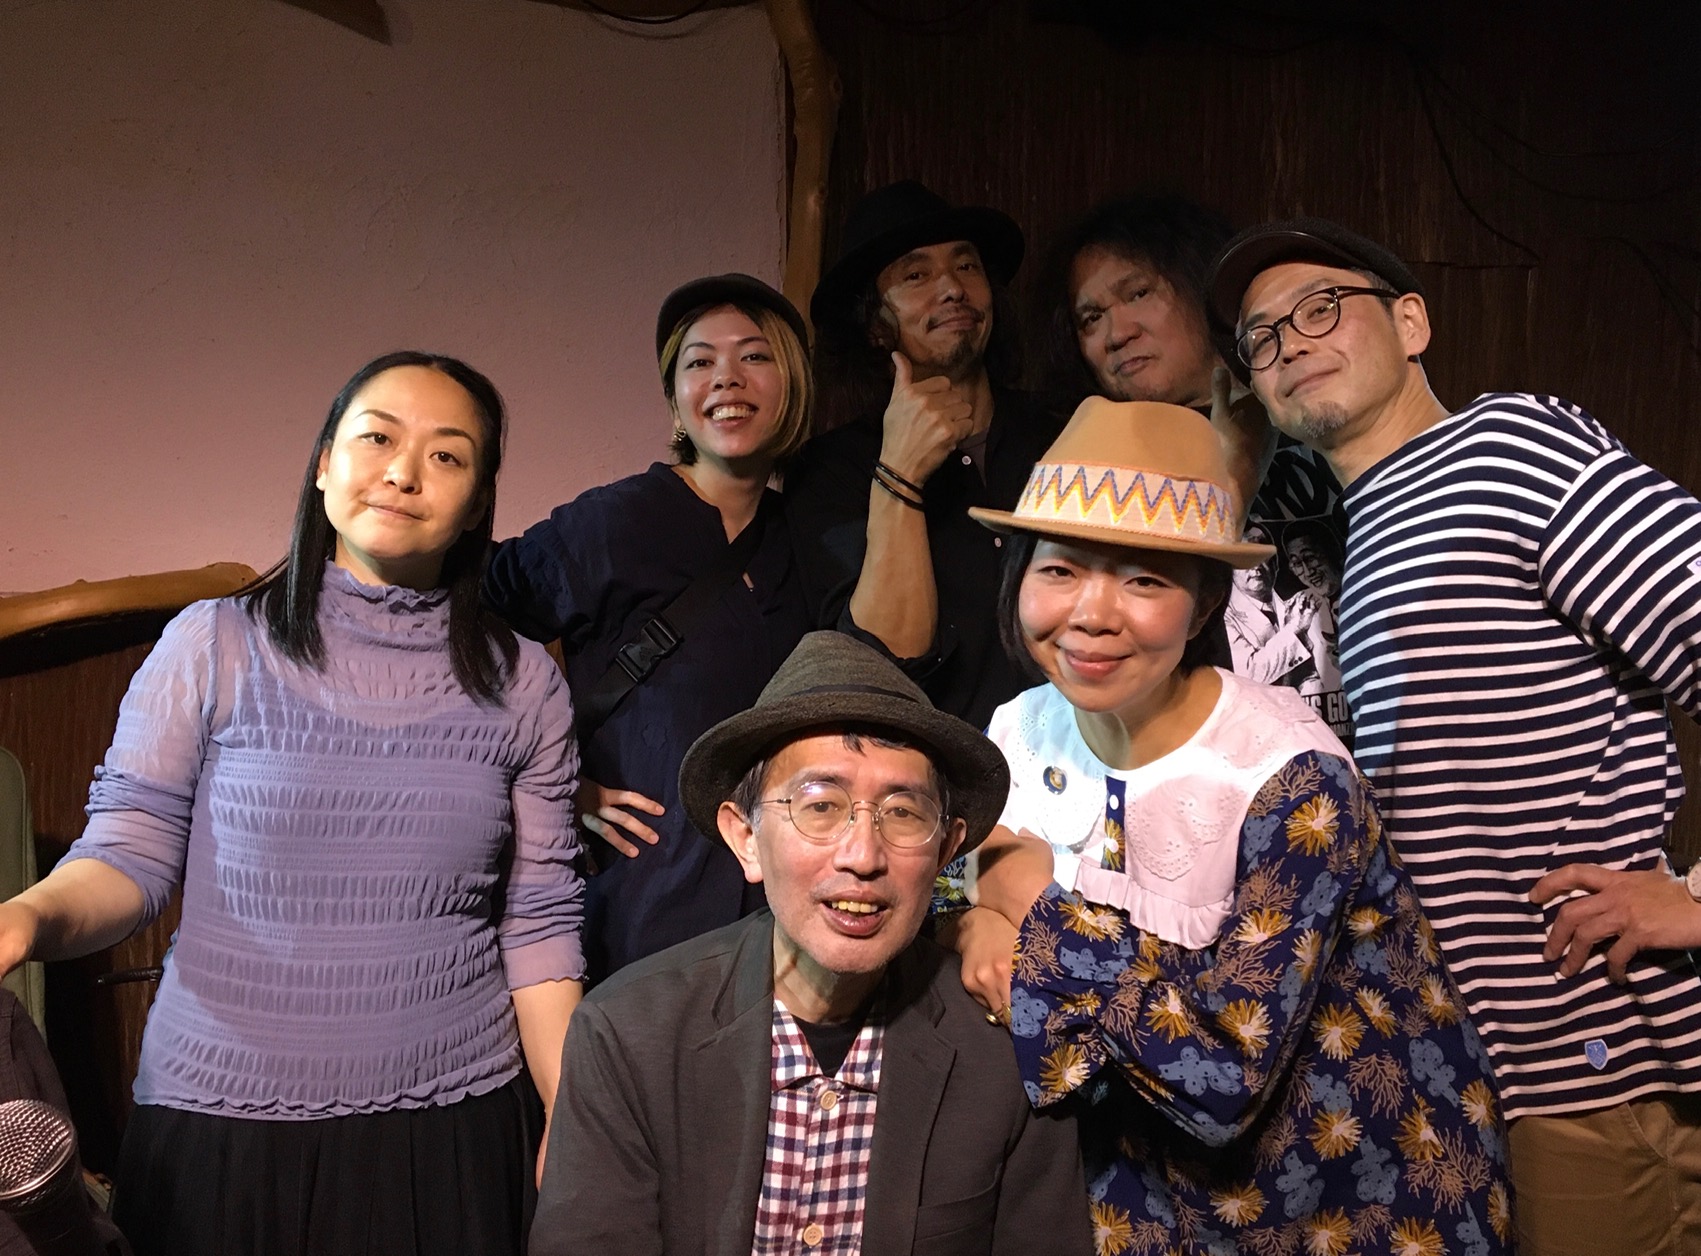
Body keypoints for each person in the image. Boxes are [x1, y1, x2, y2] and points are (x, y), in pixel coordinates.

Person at [0, 351, 585, 1256]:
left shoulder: (525, 684)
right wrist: (28, 919)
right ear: (322, 465)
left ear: (477, 505)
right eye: (377, 438)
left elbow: (539, 923)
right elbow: (128, 855)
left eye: (446, 454)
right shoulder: (211, 643)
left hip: (454, 1130)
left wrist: (575, 1113)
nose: (403, 471)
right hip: (218, 1125)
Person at [1209, 216, 1701, 1255]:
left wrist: (1697, 899)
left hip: (1606, 1072)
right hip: (1492, 1083)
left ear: (1412, 323)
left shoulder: (1505, 448)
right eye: (1261, 337)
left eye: (1321, 307)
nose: (1290, 342)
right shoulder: (1364, 533)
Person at [947, 397, 1512, 1255]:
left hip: (1343, 1196)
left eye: (1143, 580)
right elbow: (948, 888)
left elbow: (1220, 1077)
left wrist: (1028, 905)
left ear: (1207, 598)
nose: (1091, 614)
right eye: (1058, 570)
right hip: (1125, 1199)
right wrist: (969, 923)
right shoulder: (1018, 731)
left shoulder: (1289, 777)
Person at [530, 631, 1092, 1256]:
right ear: (745, 837)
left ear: (946, 850)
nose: (863, 855)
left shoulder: (1005, 1049)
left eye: (904, 812)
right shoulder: (628, 1036)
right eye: (820, 806)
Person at [485, 275, 813, 980]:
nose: (726, 377)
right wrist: (550, 784)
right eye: (700, 361)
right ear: (676, 399)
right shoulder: (617, 522)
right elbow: (470, 613)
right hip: (646, 911)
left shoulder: (808, 539)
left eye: (754, 356)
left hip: (786, 918)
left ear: (792, 383)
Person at [1038, 194, 1352, 740]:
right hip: (1219, 760)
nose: (1117, 333)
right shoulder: (1092, 473)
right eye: (1092, 318)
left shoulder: (1316, 414)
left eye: (1138, 293)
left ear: (1201, 286)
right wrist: (1234, 479)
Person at [785, 180, 1062, 731]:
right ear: (873, 325)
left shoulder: (1064, 430)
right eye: (916, 275)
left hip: (1083, 761)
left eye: (967, 266)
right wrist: (900, 473)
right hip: (938, 771)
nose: (953, 288)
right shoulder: (829, 470)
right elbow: (883, 659)